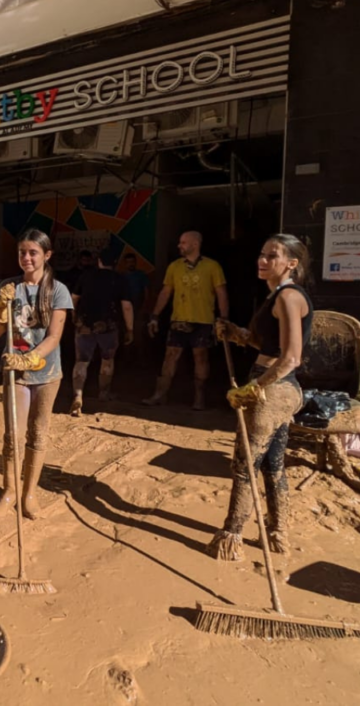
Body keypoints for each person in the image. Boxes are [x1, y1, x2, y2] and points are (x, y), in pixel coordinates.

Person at [208, 234, 313, 561]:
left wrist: (256, 388)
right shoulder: (278, 296)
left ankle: (231, 537)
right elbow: (266, 344)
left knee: (244, 465)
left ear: (291, 264)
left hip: (273, 389)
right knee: (272, 463)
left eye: (273, 256)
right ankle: (278, 533)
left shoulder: (288, 297)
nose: (263, 260)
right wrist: (237, 333)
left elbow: (291, 357)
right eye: (262, 254)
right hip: (280, 388)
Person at [0, 229, 73, 520]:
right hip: (15, 374)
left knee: (38, 435)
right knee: (13, 436)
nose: (26, 257)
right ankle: (9, 492)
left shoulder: (57, 290)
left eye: (33, 252)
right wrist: (1, 304)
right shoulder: (9, 286)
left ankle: (30, 494)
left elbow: (54, 336)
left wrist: (28, 359)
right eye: (22, 252)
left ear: (46, 256)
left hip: (48, 373)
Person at [143, 231, 228, 410]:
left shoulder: (212, 266)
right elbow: (166, 292)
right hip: (178, 320)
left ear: (195, 244)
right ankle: (160, 394)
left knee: (201, 358)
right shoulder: (175, 266)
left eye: (183, 242)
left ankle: (199, 397)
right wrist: (155, 315)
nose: (179, 246)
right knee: (170, 356)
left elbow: (221, 293)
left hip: (203, 321)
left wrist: (224, 319)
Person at [70, 247, 133, 415]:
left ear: (99, 261)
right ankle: (104, 393)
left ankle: (77, 395)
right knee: (107, 360)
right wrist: (130, 329)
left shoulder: (86, 276)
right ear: (115, 263)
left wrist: (74, 317)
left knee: (81, 361)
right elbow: (126, 307)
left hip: (84, 325)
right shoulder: (120, 279)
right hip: (108, 326)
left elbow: (74, 298)